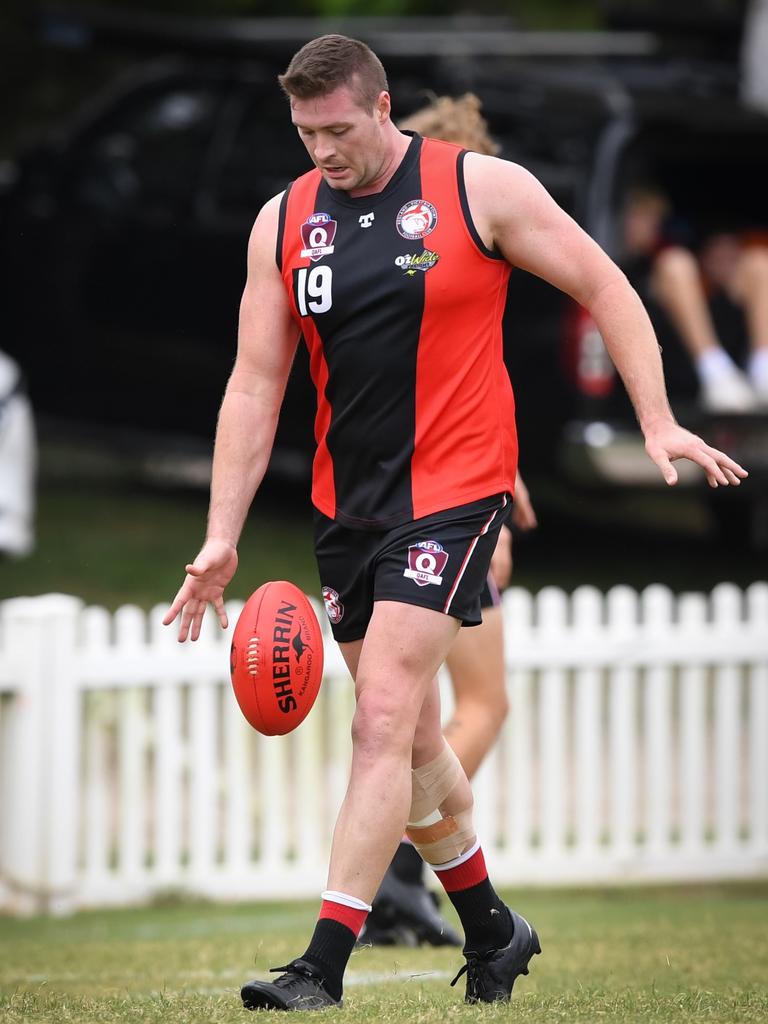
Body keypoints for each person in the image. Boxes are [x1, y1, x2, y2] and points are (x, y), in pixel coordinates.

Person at [164, 35, 747, 1011]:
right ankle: (493, 926)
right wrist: (221, 535)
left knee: (383, 714)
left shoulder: (481, 191)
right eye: (306, 134)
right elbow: (256, 383)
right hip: (349, 503)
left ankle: (321, 963)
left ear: (383, 107)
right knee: (423, 740)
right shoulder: (285, 220)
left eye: (339, 130)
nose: (323, 152)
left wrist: (656, 417)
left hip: (459, 489)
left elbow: (606, 284)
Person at [358, 93, 538, 949]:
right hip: (441, 509)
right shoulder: (453, 239)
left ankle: (408, 871)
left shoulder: (418, 253)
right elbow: (453, 396)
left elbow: (463, 382)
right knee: (472, 705)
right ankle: (398, 862)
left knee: (415, 716)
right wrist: (496, 501)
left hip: (432, 495)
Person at [621, 186, 768, 412]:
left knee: (760, 262)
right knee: (675, 264)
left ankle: (763, 368)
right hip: (674, 374)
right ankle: (715, 372)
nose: (651, 224)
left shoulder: (743, 283)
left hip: (741, 380)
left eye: (654, 217)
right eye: (643, 216)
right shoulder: (651, 263)